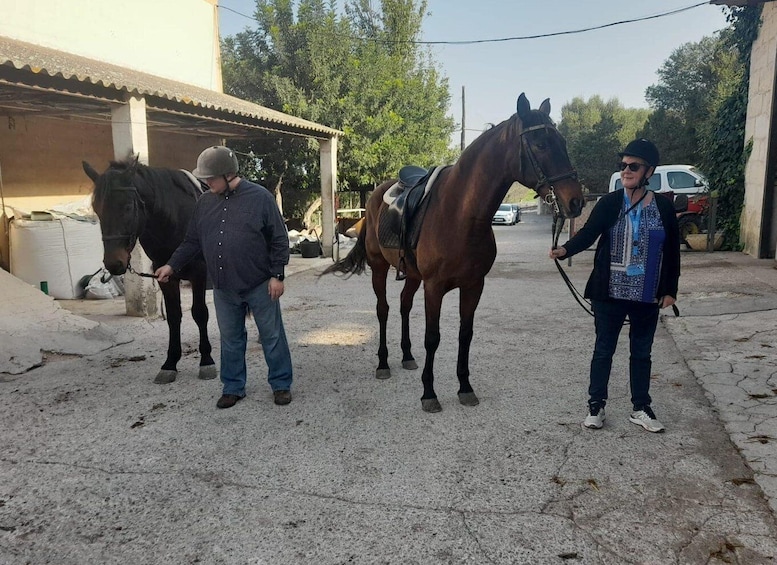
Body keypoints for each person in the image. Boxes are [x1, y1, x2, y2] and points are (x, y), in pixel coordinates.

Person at [549, 138, 680, 433]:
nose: (626, 170)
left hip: (648, 295)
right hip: (609, 293)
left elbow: (671, 251)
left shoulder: (663, 207)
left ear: (649, 171)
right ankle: (596, 405)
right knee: (603, 350)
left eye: (633, 166)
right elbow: (588, 234)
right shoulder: (609, 203)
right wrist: (565, 250)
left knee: (642, 352)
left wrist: (670, 289)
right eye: (623, 165)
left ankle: (641, 407)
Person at [155, 146, 293, 409]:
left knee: (272, 336)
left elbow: (279, 238)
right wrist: (171, 265)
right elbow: (192, 241)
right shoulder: (204, 203)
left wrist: (277, 275)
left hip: (260, 283)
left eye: (211, 178)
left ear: (229, 175)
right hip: (223, 287)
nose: (207, 183)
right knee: (230, 339)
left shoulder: (260, 198)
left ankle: (281, 384)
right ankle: (233, 387)